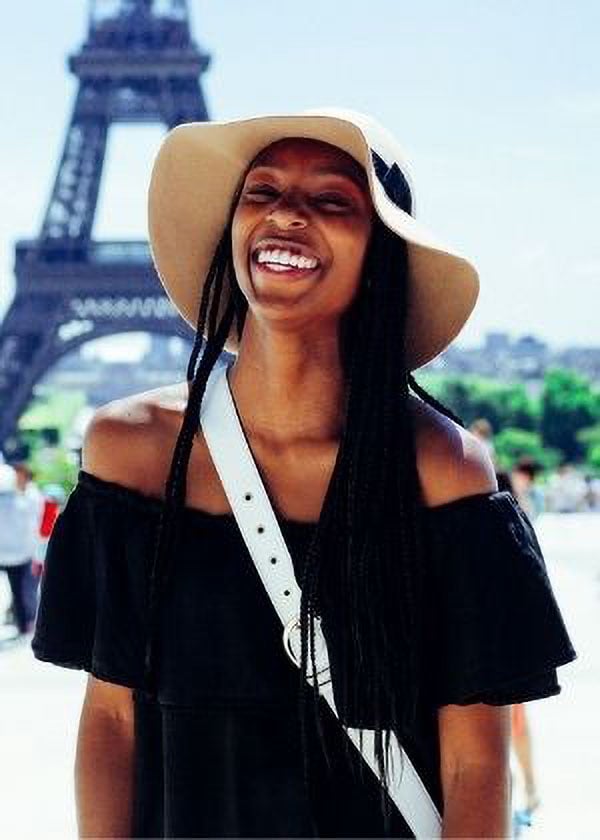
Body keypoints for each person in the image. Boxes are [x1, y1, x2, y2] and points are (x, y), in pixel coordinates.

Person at [32, 110, 576, 838]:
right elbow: (110, 720)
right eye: (260, 193)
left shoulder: (444, 472)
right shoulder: (129, 453)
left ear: (381, 255)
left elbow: (474, 765)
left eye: (331, 201)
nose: (286, 213)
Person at [0, 463, 42, 636]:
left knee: (25, 589)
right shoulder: (9, 497)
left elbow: (36, 522)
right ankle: (24, 622)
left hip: (27, 552)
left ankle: (28, 621)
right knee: (19, 588)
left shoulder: (32, 496)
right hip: (10, 553)